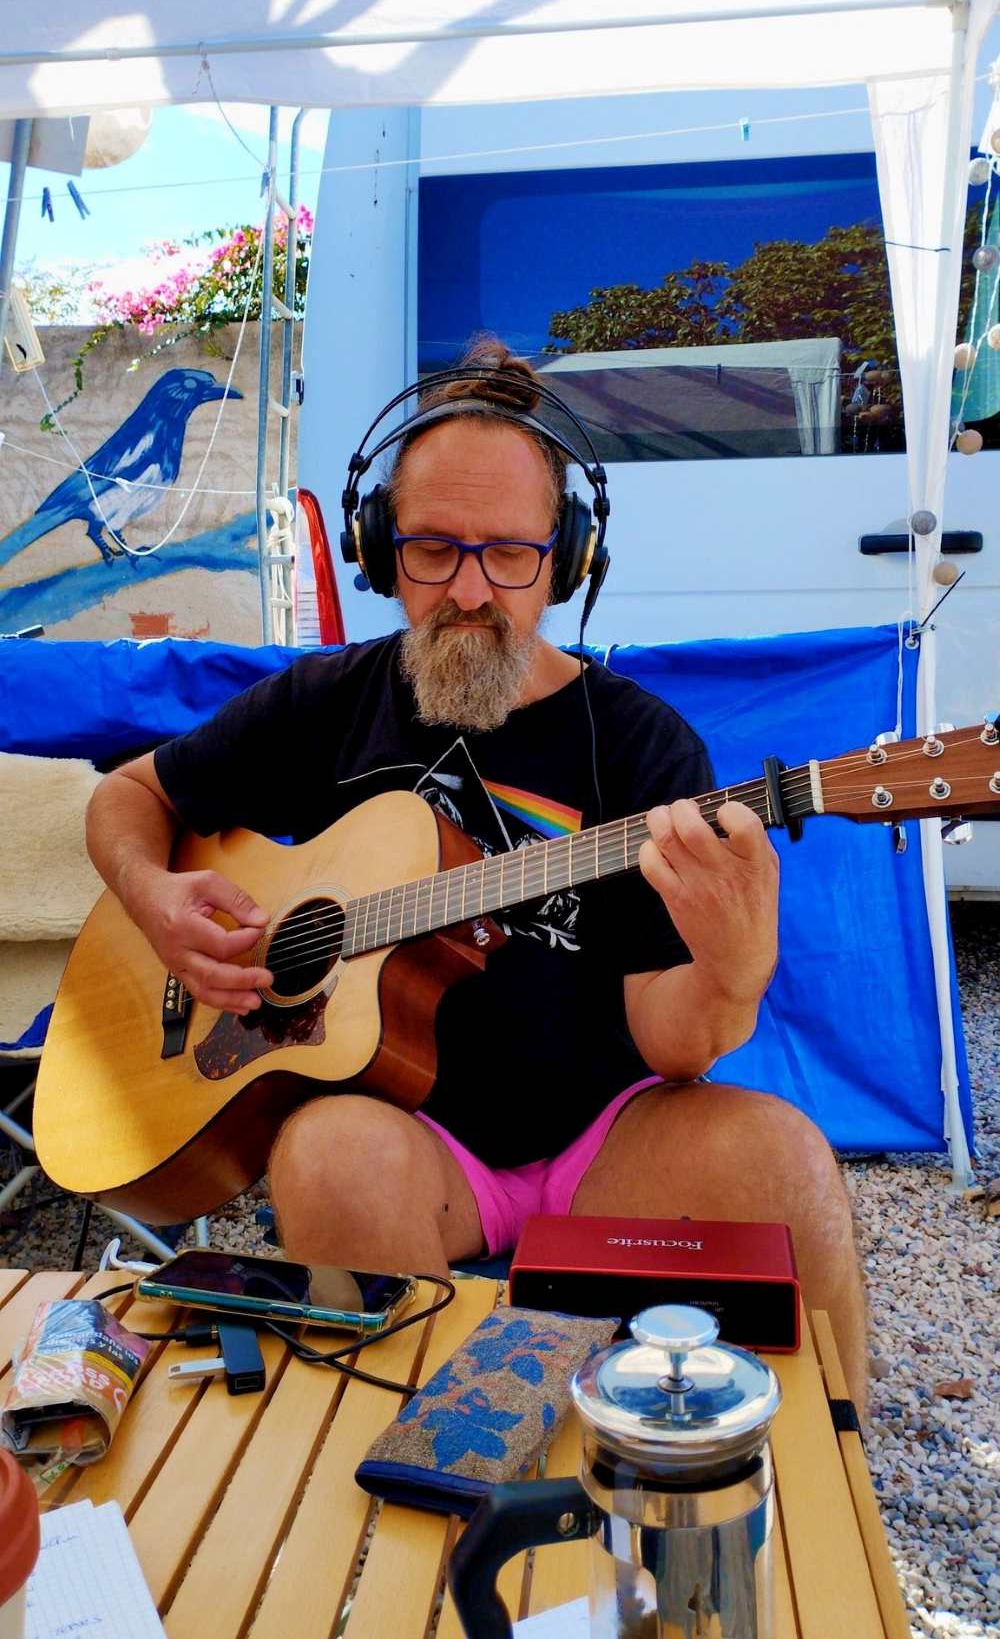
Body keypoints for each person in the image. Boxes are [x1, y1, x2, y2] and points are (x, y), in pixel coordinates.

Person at [85, 337, 868, 1410]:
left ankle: (831, 1477)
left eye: (508, 554)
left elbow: (675, 1040)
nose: (469, 589)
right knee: (323, 1153)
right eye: (432, 550)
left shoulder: (642, 750)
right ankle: (402, 1483)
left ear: (566, 556)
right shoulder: (326, 701)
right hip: (412, 1137)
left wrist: (733, 973)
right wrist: (155, 897)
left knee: (786, 1163)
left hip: (605, 1135)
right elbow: (129, 797)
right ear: (375, 548)